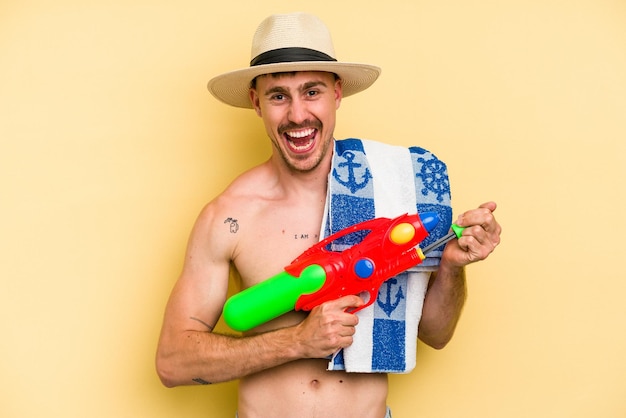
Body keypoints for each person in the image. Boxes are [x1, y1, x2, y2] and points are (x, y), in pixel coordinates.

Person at [156, 12, 501, 418]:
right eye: (278, 96)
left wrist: (453, 268)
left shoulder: (392, 192)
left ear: (337, 93)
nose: (298, 115)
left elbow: (435, 334)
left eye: (312, 91)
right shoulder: (230, 215)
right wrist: (297, 341)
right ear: (256, 102)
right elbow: (173, 362)